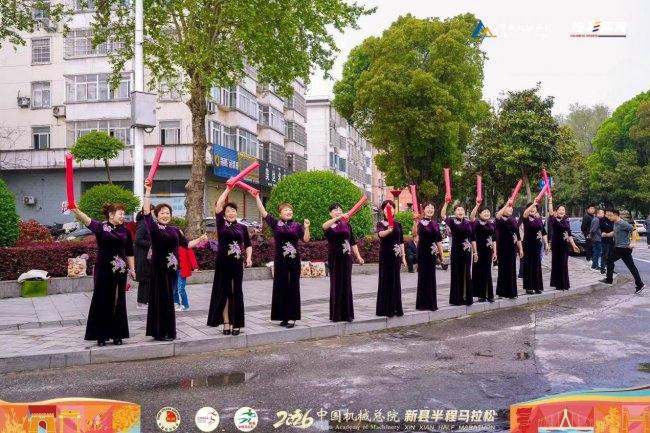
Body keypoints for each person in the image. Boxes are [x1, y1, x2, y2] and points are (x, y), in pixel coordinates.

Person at [143, 180, 206, 341]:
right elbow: (146, 212)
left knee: (169, 300)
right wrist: (148, 191)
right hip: (159, 270)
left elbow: (187, 245)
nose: (165, 215)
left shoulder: (175, 230)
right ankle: (160, 332)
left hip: (172, 271)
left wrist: (200, 239)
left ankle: (167, 331)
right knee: (161, 299)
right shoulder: (154, 228)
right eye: (162, 213)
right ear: (157, 215)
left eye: (167, 213)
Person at [70, 203, 135, 346]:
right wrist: (76, 210)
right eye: (120, 214)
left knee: (118, 300)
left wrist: (132, 269)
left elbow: (130, 252)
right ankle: (101, 335)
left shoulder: (126, 231)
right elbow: (87, 219)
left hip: (120, 270)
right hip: (103, 269)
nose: (123, 216)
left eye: (124, 214)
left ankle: (117, 334)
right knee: (102, 299)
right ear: (111, 215)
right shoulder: (101, 227)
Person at [253, 193, 310, 328]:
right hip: (280, 261)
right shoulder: (275, 224)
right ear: (280, 213)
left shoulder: (297, 225)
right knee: (281, 286)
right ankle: (283, 316)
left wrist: (307, 227)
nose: (289, 212)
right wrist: (256, 196)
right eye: (285, 210)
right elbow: (263, 212)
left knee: (293, 287)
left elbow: (306, 239)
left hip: (293, 261)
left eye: (290, 210)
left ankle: (292, 317)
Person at [207, 185, 252, 336]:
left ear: (236, 213)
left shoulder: (242, 228)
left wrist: (249, 257)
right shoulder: (221, 224)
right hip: (223, 264)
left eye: (233, 210)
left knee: (236, 292)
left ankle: (237, 323)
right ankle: (226, 322)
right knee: (224, 292)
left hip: (237, 264)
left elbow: (248, 245)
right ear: (224, 214)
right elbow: (218, 205)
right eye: (228, 211)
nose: (231, 213)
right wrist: (228, 189)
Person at [322, 203, 365, 322]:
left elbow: (352, 242)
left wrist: (358, 256)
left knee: (346, 284)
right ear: (330, 213)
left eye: (340, 210)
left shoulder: (347, 225)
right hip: (335, 258)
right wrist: (338, 218)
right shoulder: (330, 225)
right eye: (335, 210)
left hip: (347, 258)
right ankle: (336, 314)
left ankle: (347, 314)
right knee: (336, 284)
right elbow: (324, 226)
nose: (339, 211)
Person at [600, 209, 645, 293]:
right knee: (631, 266)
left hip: (622, 247)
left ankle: (609, 280)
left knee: (609, 260)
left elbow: (634, 230)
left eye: (610, 215)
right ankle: (640, 284)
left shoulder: (622, 223)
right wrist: (606, 234)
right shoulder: (616, 223)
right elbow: (614, 233)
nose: (608, 217)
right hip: (624, 248)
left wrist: (633, 242)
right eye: (608, 215)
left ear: (616, 215)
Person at [413, 201, 446, 311]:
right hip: (423, 253)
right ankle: (422, 304)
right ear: (423, 210)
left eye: (432, 208)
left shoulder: (435, 224)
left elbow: (439, 240)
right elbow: (415, 235)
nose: (430, 209)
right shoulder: (419, 222)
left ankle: (431, 303)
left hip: (432, 254)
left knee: (431, 277)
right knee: (423, 277)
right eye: (428, 207)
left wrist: (442, 256)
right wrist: (415, 223)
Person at [376, 200, 406, 317]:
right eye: (386, 208)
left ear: (394, 210)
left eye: (392, 208)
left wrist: (403, 256)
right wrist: (388, 230)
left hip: (396, 256)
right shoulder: (380, 224)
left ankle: (396, 307)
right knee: (386, 280)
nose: (389, 210)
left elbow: (401, 241)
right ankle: (385, 308)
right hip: (386, 255)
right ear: (383, 211)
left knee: (395, 280)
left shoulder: (398, 224)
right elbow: (380, 234)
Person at [441, 200, 473, 306]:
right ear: (454, 212)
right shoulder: (451, 221)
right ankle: (458, 298)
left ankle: (466, 296)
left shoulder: (467, 222)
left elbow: (472, 237)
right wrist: (446, 203)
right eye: (458, 210)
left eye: (462, 210)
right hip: (457, 250)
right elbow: (443, 215)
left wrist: (475, 252)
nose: (460, 211)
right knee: (458, 272)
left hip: (467, 251)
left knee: (467, 272)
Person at [548, 197, 581, 291]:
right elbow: (550, 212)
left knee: (564, 264)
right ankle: (558, 284)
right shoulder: (554, 220)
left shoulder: (566, 222)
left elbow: (569, 235)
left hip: (565, 245)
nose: (562, 211)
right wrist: (550, 201)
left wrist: (574, 245)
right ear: (556, 211)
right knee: (558, 263)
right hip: (557, 245)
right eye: (560, 210)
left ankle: (564, 283)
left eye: (563, 210)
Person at [495, 202, 523, 299]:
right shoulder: (500, 220)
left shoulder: (513, 220)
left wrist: (520, 248)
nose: (511, 209)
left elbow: (517, 235)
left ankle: (512, 292)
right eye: (508, 207)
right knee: (503, 270)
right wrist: (507, 204)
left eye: (511, 207)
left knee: (512, 270)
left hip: (512, 249)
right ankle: (501, 292)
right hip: (503, 248)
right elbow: (497, 216)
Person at [470, 202, 496, 302]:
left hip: (488, 251)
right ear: (480, 214)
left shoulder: (491, 224)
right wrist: (477, 205)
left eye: (488, 212)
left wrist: (495, 251)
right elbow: (472, 216)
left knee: (487, 272)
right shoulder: (476, 223)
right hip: (479, 251)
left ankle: (489, 294)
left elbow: (494, 239)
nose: (486, 213)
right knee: (479, 272)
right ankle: (481, 295)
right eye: (484, 212)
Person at [521, 201, 548, 295]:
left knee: (537, 266)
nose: (533, 209)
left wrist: (546, 243)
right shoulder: (526, 219)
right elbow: (525, 213)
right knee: (529, 266)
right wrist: (533, 204)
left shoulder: (539, 219)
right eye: (531, 207)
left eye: (534, 207)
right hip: (528, 245)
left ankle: (537, 287)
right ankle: (529, 287)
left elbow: (543, 232)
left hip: (537, 245)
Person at [134, 206, 154, 309]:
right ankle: (142, 302)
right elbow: (137, 240)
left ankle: (145, 301)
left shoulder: (148, 223)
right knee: (144, 279)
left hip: (147, 255)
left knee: (147, 279)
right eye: (153, 212)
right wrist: (151, 244)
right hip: (142, 256)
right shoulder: (143, 223)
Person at [175, 241, 198, 311]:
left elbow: (191, 256)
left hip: (182, 271)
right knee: (174, 288)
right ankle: (176, 303)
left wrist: (195, 266)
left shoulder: (186, 245)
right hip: (173, 271)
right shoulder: (172, 244)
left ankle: (185, 305)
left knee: (181, 289)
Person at [600, 211, 615, 275]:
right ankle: (602, 269)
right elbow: (606, 227)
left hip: (612, 240)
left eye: (610, 214)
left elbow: (614, 228)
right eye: (607, 214)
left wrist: (611, 230)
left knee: (611, 256)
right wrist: (611, 230)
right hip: (605, 241)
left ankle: (610, 269)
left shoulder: (612, 220)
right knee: (605, 255)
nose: (609, 215)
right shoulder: (602, 220)